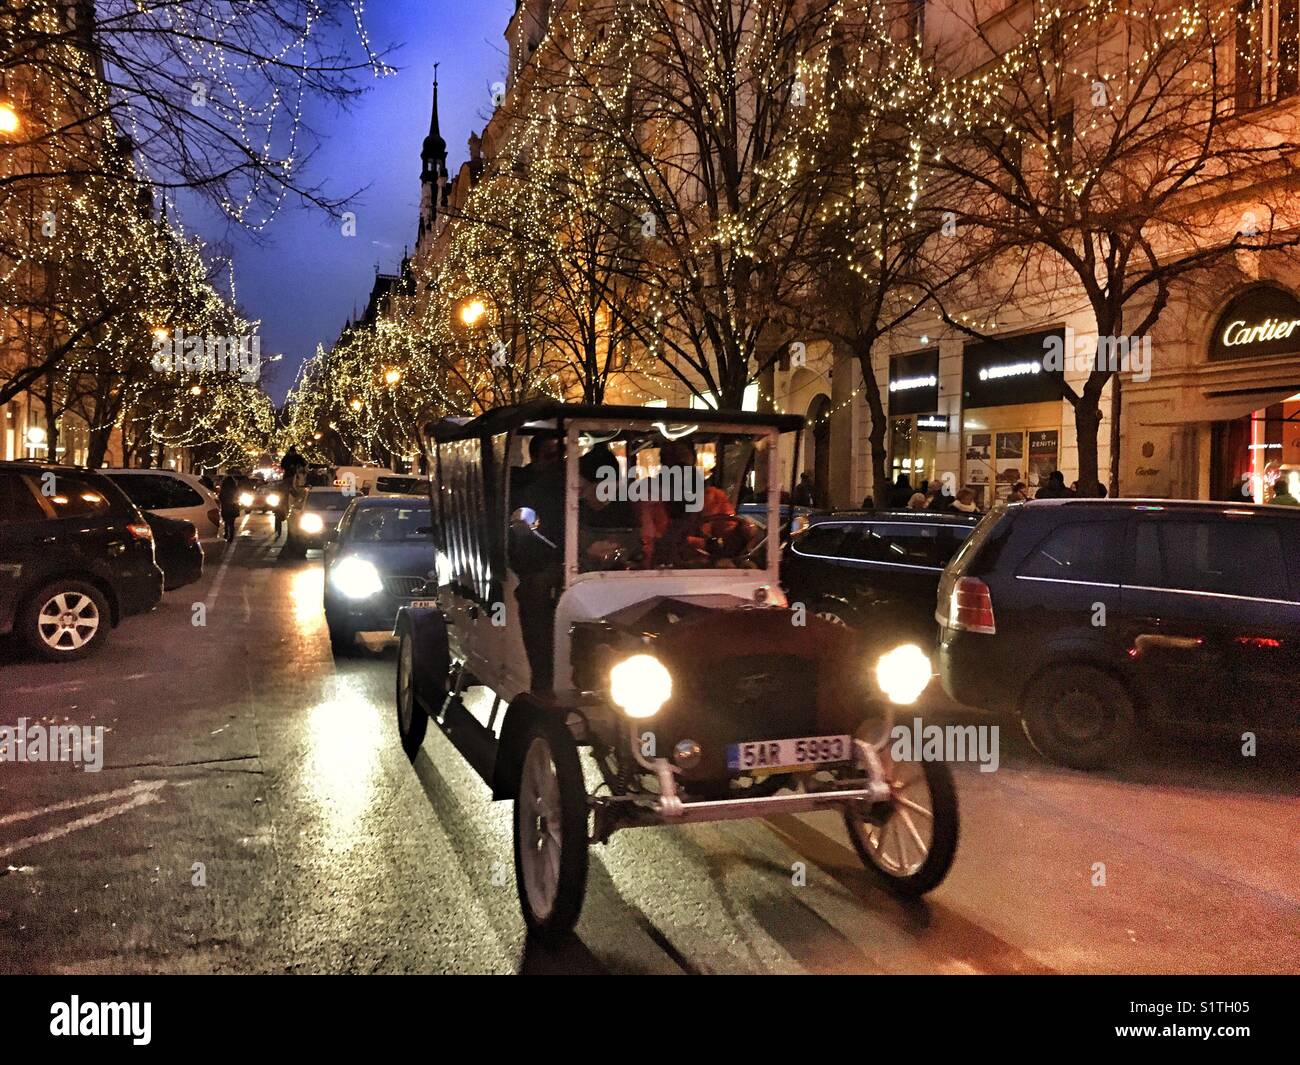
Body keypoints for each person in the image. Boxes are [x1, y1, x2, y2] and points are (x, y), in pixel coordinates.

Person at [217, 471, 243, 543]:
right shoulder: (235, 489)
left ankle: (226, 534)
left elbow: (220, 498)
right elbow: (237, 497)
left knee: (226, 522)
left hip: (226, 507)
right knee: (231, 523)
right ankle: (231, 536)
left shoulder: (224, 490)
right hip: (233, 508)